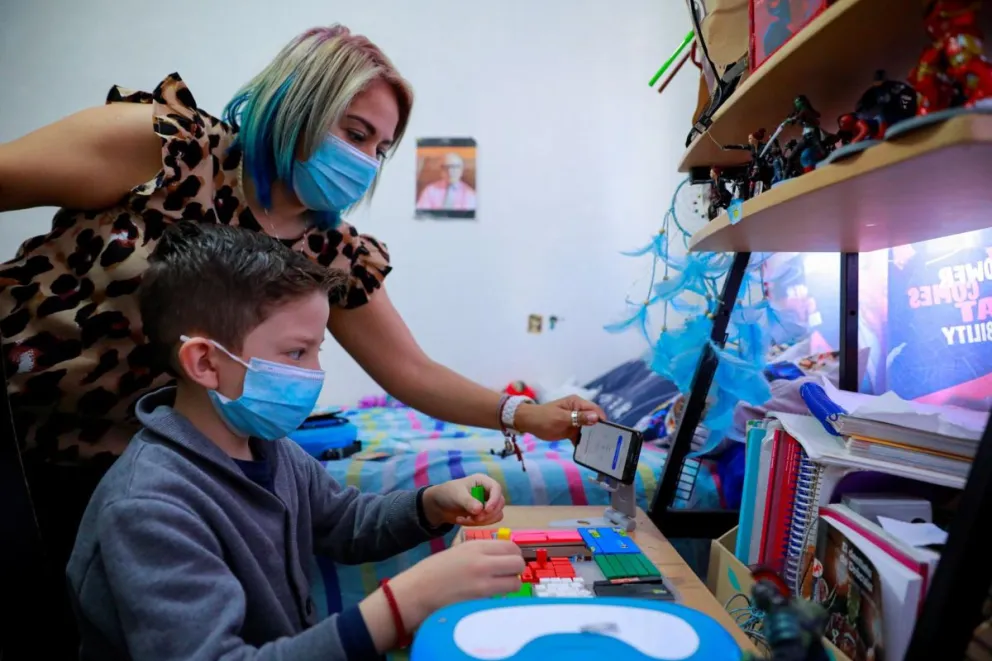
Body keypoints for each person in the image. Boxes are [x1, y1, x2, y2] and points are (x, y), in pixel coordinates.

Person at [0, 24, 604, 654]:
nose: (367, 161)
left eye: (382, 147)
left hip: (136, 450)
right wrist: (404, 603)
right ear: (298, 105)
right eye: (354, 132)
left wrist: (525, 418)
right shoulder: (165, 148)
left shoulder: (329, 257)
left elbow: (411, 375)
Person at [68, 221, 525, 660]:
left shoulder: (267, 446)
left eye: (316, 351)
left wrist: (429, 505)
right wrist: (403, 603)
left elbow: (344, 521)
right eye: (295, 352)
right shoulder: (149, 507)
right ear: (205, 363)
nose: (315, 374)